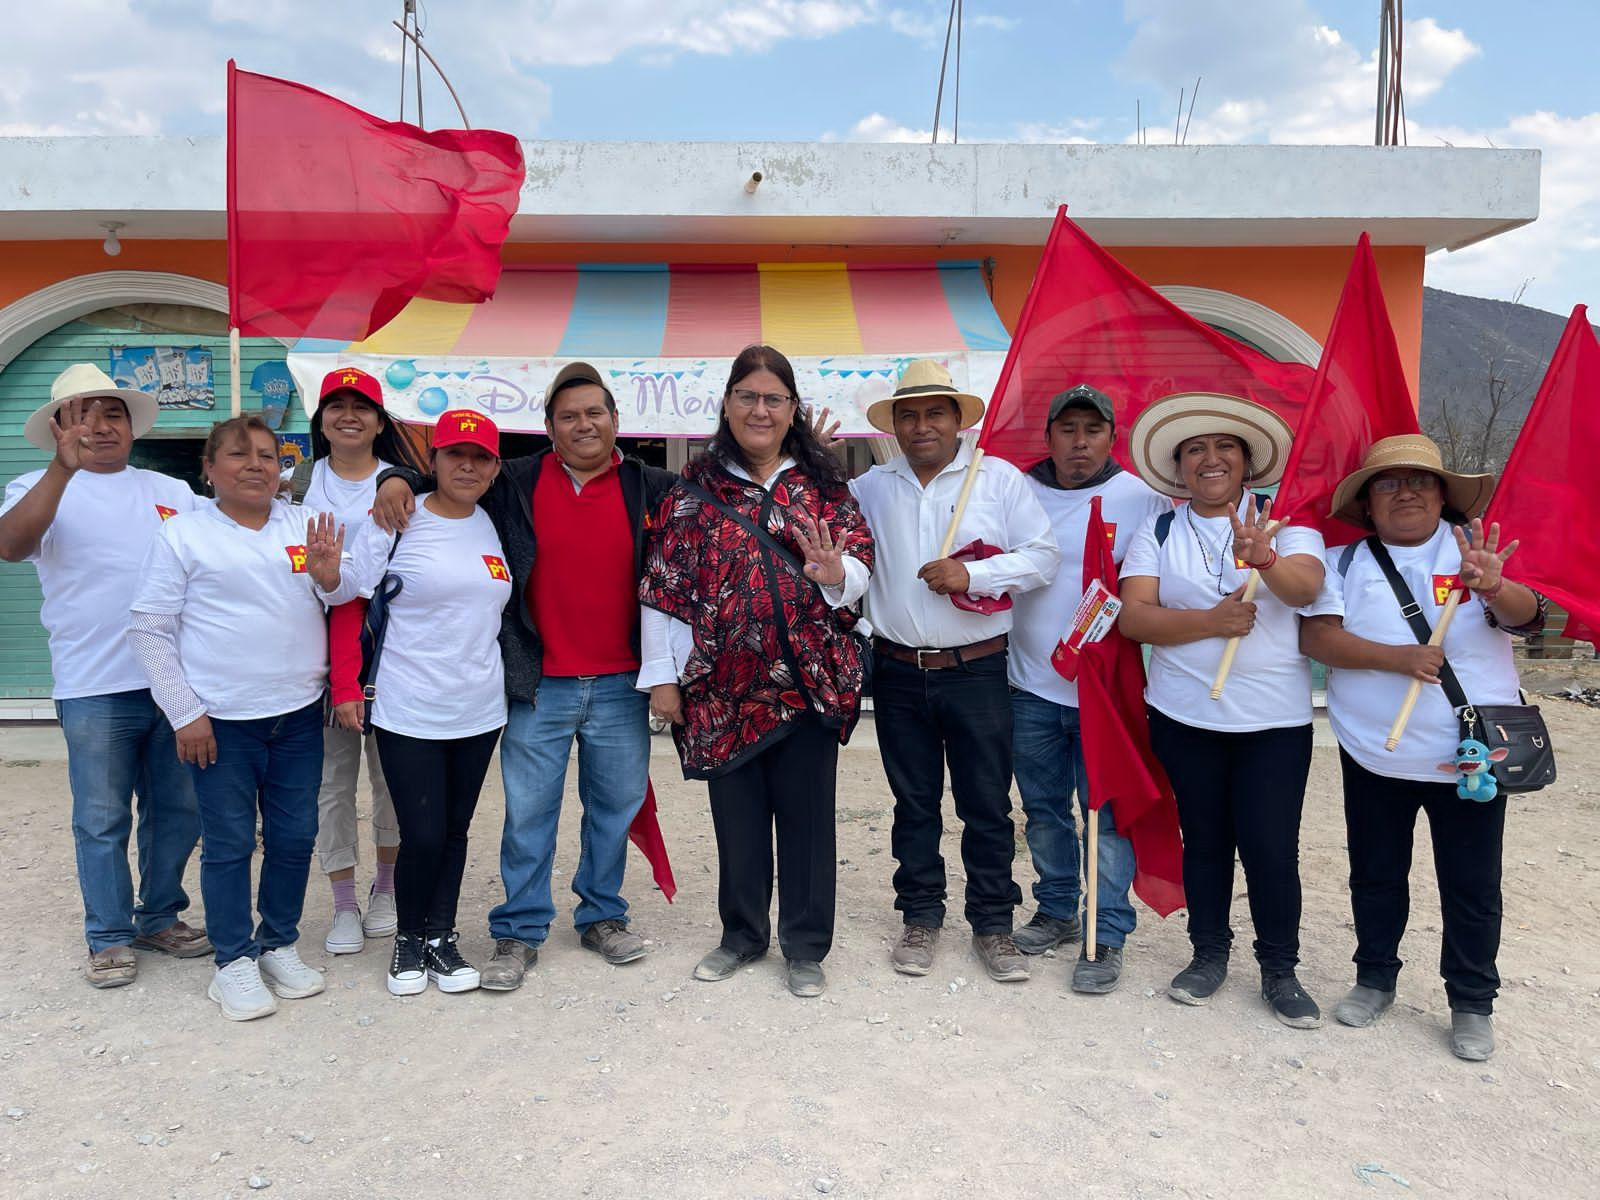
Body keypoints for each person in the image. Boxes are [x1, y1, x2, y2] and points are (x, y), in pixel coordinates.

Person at [372, 363, 675, 991]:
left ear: (616, 421)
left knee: (613, 808)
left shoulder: (653, 486)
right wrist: (395, 479)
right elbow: (451, 475)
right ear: (549, 428)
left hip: (622, 682)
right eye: (568, 416)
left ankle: (602, 914)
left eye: (594, 413)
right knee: (528, 813)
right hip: (537, 682)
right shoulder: (517, 478)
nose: (583, 424)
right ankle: (518, 927)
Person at [638, 344, 873, 999]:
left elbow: (860, 567)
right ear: (727, 404)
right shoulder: (694, 490)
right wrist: (663, 678)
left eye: (774, 398)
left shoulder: (823, 486)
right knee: (737, 822)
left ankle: (805, 946)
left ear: (792, 409)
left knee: (807, 822)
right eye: (748, 396)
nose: (760, 410)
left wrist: (836, 576)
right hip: (723, 691)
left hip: (807, 686)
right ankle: (741, 936)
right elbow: (662, 587)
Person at [1300, 434, 1541, 1062]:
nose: (1405, 493)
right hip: (1375, 752)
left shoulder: (1472, 552)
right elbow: (1319, 640)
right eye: (1388, 483)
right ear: (1370, 504)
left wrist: (1493, 586)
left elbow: (1530, 617)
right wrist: (1397, 658)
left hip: (1468, 758)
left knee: (1471, 883)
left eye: (1420, 482)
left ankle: (1471, 1001)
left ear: (1442, 496)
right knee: (1376, 876)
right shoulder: (1344, 563)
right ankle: (1374, 977)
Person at [128, 415, 354, 1022]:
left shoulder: (304, 524)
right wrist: (184, 713)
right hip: (220, 722)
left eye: (266, 454)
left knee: (293, 837)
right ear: (209, 469)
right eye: (238, 454)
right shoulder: (185, 535)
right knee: (228, 844)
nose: (256, 464)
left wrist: (331, 576)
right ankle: (232, 960)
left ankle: (277, 941)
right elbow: (149, 628)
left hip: (298, 716)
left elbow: (336, 595)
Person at [1118, 392, 1327, 1028]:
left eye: (1223, 448)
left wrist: (1264, 558)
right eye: (1195, 451)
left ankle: (1280, 968)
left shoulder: (1287, 523)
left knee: (1269, 847)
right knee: (1204, 843)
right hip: (1184, 718)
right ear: (1180, 468)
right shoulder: (1158, 531)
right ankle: (1208, 954)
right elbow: (1133, 617)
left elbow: (1307, 588)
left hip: (1273, 723)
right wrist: (1212, 621)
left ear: (1246, 461)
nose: (1210, 459)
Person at [0, 364, 210, 988]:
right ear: (60, 426)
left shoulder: (169, 489)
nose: (99, 425)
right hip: (93, 683)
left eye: (112, 412)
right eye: (83, 413)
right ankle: (110, 935)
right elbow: (11, 545)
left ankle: (158, 915)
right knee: (101, 817)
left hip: (174, 682)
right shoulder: (32, 484)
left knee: (178, 811)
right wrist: (61, 471)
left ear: (129, 425)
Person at [849, 359, 1058, 983]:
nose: (921, 426)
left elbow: (1043, 557)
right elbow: (848, 570)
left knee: (987, 804)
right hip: (896, 670)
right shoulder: (870, 488)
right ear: (894, 425)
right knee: (913, 803)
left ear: (958, 420)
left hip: (978, 670)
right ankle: (920, 916)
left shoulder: (997, 481)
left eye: (935, 413)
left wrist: (976, 575)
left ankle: (993, 925)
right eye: (908, 415)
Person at [327, 410, 511, 996]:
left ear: (495, 467)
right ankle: (408, 939)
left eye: (480, 457)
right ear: (432, 461)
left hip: (480, 707)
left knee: (455, 832)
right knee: (423, 833)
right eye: (455, 453)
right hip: (410, 707)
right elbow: (347, 589)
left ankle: (442, 938)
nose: (467, 465)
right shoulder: (399, 517)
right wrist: (326, 574)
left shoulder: (494, 522)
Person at [1007, 384, 1172, 992]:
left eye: (1093, 430)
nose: (1080, 443)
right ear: (1048, 436)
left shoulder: (1144, 498)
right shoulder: (1014, 489)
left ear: (1112, 437)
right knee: (1044, 811)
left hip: (1107, 692)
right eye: (1068, 429)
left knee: (1106, 811)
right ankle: (1056, 909)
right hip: (1029, 685)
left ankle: (1105, 931)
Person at [298, 367, 421, 958]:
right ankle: (343, 901)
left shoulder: (405, 486)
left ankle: (387, 890)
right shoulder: (297, 482)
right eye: (335, 405)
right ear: (321, 420)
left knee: (392, 779)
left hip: (390, 651)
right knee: (331, 785)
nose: (349, 415)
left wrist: (398, 477)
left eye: (362, 406)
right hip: (308, 651)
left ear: (379, 420)